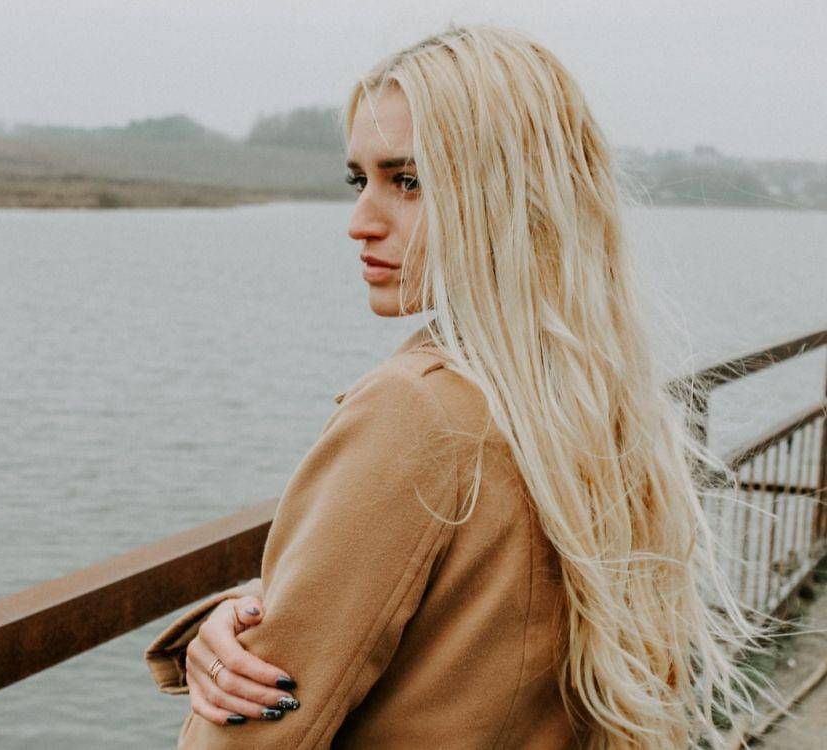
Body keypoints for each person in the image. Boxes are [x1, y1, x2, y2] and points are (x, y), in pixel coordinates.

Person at [145, 22, 766, 749]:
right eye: (359, 180)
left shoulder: (417, 411)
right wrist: (258, 609)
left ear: (511, 194)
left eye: (408, 181)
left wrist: (253, 643)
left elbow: (256, 733)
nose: (360, 222)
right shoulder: (591, 397)